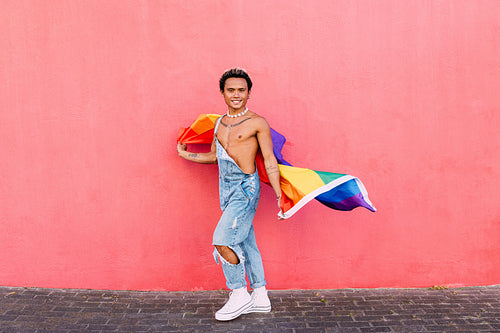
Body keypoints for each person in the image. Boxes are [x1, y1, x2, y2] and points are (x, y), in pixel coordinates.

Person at [177, 68, 282, 321]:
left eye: (242, 90)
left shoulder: (257, 122)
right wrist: (186, 154)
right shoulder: (219, 123)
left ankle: (238, 294)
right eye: (231, 90)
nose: (237, 95)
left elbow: (269, 160)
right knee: (246, 242)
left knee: (223, 240)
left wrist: (280, 195)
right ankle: (260, 296)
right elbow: (214, 156)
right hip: (225, 189)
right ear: (223, 93)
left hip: (245, 188)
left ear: (248, 93)